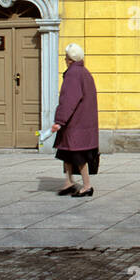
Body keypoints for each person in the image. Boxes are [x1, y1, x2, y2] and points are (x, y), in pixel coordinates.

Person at [51, 42, 99, 197]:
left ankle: (86, 186)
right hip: (82, 122)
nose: (65, 59)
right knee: (66, 153)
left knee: (78, 155)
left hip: (75, 123)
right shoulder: (84, 72)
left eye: (66, 57)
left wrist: (59, 120)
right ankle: (69, 182)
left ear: (69, 59)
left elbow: (68, 100)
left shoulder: (73, 74)